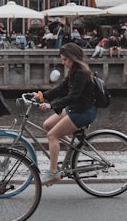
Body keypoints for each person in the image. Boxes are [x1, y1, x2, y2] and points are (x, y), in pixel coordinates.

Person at [32, 42, 97, 186]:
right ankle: (74, 148)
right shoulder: (74, 71)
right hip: (75, 108)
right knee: (47, 125)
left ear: (73, 58)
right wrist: (41, 96)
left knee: (52, 135)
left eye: (65, 59)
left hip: (84, 112)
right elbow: (62, 89)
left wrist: (51, 105)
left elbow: (73, 96)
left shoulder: (81, 73)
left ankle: (53, 172)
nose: (63, 62)